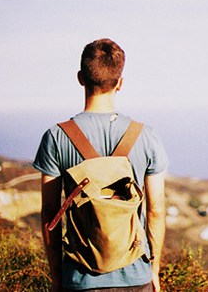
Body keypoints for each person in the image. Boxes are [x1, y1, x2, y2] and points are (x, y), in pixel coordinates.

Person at [33, 38, 169, 292]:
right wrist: (154, 270)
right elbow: (156, 211)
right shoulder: (146, 136)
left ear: (80, 78)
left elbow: (50, 212)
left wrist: (56, 276)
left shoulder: (56, 136)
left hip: (79, 279)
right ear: (120, 83)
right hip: (136, 277)